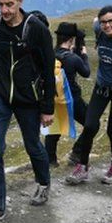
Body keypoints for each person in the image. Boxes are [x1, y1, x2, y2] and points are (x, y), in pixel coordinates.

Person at [0, 0, 55, 221]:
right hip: (1, 97)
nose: (4, 10)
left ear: (20, 1)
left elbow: (48, 68)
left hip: (29, 99)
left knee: (32, 145)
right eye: (0, 4)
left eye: (9, 4)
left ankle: (43, 184)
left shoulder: (36, 29)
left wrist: (47, 107)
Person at [66, 5, 112, 184]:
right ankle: (83, 167)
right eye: (104, 22)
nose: (107, 25)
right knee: (90, 126)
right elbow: (94, 23)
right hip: (101, 87)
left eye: (111, 21)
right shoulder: (100, 31)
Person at [44, 22, 90, 166]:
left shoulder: (51, 54)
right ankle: (77, 153)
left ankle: (50, 160)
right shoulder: (73, 58)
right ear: (71, 39)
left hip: (54, 98)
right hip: (72, 98)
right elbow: (86, 72)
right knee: (91, 124)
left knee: (54, 129)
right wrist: (84, 56)